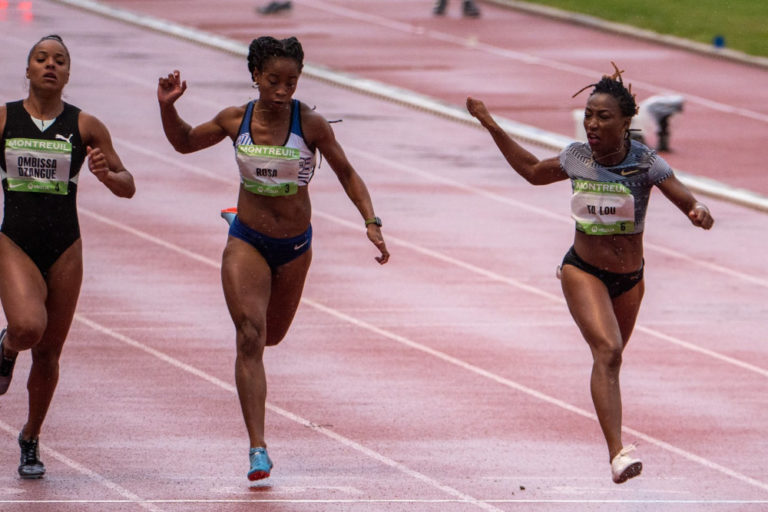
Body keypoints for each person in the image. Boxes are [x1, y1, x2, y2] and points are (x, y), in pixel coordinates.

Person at [466, 63, 713, 484]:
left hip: (630, 278)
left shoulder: (646, 164)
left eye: (603, 117)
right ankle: (618, 452)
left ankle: (615, 444)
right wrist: (490, 123)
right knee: (608, 350)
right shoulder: (575, 158)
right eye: (588, 115)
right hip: (583, 269)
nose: (592, 124)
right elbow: (530, 171)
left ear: (626, 122)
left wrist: (698, 212)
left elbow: (686, 199)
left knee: (612, 360)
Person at [157, 36, 390, 481]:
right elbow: (185, 142)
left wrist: (371, 220)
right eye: (274, 81)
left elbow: (347, 172)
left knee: (272, 337)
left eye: (292, 82)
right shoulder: (234, 119)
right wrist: (168, 107)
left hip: (295, 245)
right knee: (250, 335)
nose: (283, 90)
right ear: (256, 78)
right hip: (249, 241)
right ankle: (258, 447)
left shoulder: (312, 125)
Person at [0, 34, 136, 479]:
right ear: (28, 68)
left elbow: (127, 182)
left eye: (59, 60)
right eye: (41, 59)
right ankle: (4, 348)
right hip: (15, 241)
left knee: (49, 353)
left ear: (69, 74)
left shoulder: (85, 126)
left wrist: (106, 175)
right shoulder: (4, 119)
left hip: (65, 247)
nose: (50, 65)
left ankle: (31, 437)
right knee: (26, 328)